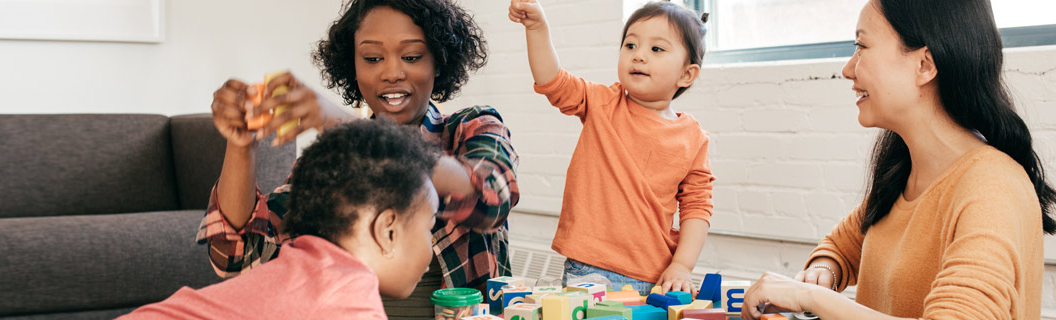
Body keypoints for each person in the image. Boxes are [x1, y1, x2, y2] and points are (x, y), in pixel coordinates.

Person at [199, 0, 519, 317]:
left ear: (438, 61)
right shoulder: (337, 159)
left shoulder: (473, 127)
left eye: (411, 56)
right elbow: (238, 258)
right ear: (353, 64)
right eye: (372, 58)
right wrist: (240, 146)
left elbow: (491, 198)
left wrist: (340, 124)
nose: (392, 72)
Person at [742, 0, 1054, 319]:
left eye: (861, 46)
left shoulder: (992, 190)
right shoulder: (908, 174)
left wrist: (809, 297)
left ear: (924, 65)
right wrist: (824, 272)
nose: (848, 69)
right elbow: (841, 247)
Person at [123, 120, 439, 319]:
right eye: (429, 228)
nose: (430, 248)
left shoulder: (298, 268)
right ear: (387, 231)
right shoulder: (348, 303)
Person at [509, 0, 715, 295]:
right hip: (589, 271)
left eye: (656, 49)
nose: (639, 56)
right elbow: (552, 82)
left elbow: (697, 207)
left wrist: (682, 265)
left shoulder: (694, 137)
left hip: (655, 277)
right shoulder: (602, 102)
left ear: (686, 75)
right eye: (630, 45)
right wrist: (538, 28)